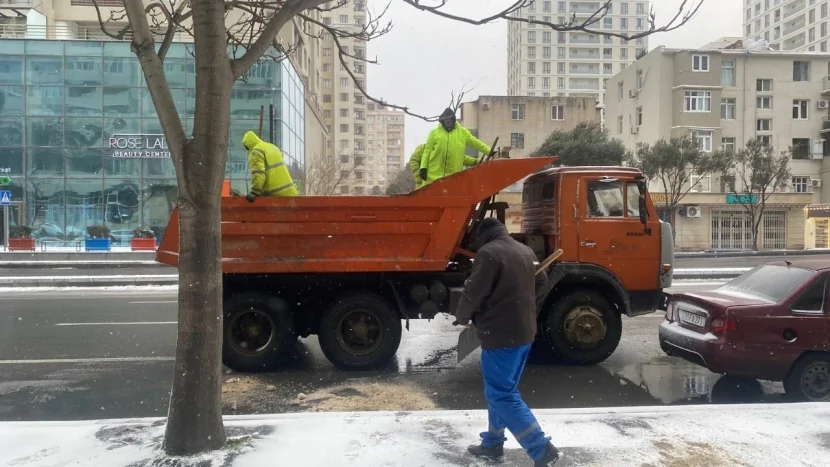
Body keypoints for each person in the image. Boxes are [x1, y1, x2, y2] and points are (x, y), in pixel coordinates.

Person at [454, 217, 560, 466]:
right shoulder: (524, 250)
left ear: (483, 236)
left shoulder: (489, 253)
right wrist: (522, 306)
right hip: (523, 332)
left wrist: (462, 315)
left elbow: (474, 289)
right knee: (499, 390)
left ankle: (541, 448)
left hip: (500, 334)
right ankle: (492, 444)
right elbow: (542, 282)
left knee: (502, 394)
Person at [419, 108, 491, 185]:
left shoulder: (463, 133)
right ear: (443, 120)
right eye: (446, 119)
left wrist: (490, 151)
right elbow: (427, 151)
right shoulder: (434, 133)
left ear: (454, 119)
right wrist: (423, 167)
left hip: (453, 178)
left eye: (450, 119)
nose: (448, 121)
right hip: (433, 177)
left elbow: (476, 143)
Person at [242, 130, 299, 201]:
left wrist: (254, 192)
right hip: (290, 192)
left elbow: (259, 174)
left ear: (247, 145)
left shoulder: (255, 152)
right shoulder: (272, 147)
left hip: (276, 194)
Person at [409, 142, 479, 189]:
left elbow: (460, 158)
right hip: (425, 188)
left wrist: (476, 161)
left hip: (441, 188)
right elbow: (414, 160)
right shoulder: (423, 148)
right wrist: (419, 177)